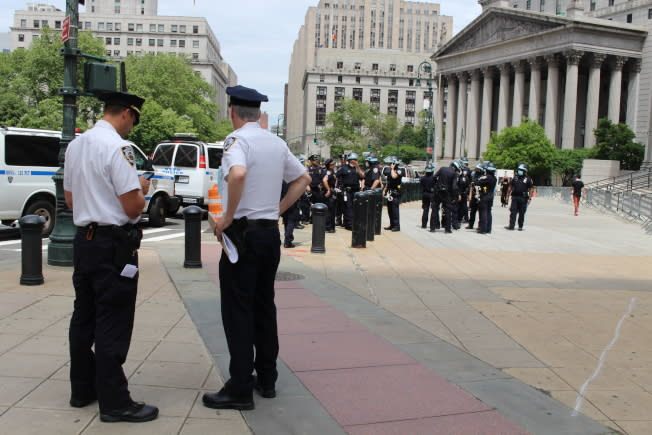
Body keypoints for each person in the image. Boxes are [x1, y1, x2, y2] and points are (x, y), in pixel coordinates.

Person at [203, 85, 310, 411]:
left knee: (238, 311)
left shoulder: (237, 140)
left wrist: (227, 218)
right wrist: (276, 210)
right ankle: (267, 378)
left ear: (233, 112)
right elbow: (303, 179)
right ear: (259, 114)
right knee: (264, 306)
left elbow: (237, 174)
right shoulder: (276, 142)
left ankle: (239, 388)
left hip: (243, 236)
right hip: (268, 235)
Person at [64, 91, 159, 423]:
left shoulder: (76, 145)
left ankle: (82, 389)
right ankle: (115, 401)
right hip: (113, 245)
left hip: (85, 240)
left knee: (84, 318)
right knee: (113, 321)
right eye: (134, 119)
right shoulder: (119, 149)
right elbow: (132, 207)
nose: (132, 126)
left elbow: (71, 200)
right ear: (127, 114)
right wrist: (141, 190)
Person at [335, 153, 364, 230]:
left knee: (355, 207)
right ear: (349, 160)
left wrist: (357, 166)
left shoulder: (357, 168)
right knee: (348, 207)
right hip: (347, 191)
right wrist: (337, 187)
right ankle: (349, 224)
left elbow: (362, 176)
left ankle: (352, 222)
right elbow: (336, 176)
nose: (353, 161)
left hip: (356, 191)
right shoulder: (343, 168)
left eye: (355, 160)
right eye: (352, 160)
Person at [506, 163, 534, 231]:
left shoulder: (528, 179)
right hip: (515, 197)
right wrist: (507, 196)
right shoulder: (515, 178)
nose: (519, 171)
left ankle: (520, 226)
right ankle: (511, 226)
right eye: (519, 170)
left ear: (525, 171)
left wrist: (530, 198)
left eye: (521, 170)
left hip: (523, 198)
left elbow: (531, 189)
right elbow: (510, 187)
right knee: (513, 212)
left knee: (522, 213)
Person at [434, 161, 460, 233]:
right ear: (454, 167)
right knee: (448, 210)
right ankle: (447, 229)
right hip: (447, 193)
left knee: (435, 209)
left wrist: (437, 185)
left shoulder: (442, 169)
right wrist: (455, 196)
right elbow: (454, 187)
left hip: (438, 191)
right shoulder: (454, 174)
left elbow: (434, 177)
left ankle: (433, 227)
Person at [477, 161, 497, 234]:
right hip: (491, 196)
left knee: (483, 212)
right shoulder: (494, 178)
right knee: (489, 212)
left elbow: (478, 182)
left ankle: (483, 229)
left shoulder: (486, 177)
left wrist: (480, 179)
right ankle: (488, 229)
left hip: (485, 196)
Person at [383, 158, 403, 231]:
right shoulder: (390, 171)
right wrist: (384, 190)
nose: (389, 165)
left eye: (391, 163)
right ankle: (392, 225)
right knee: (390, 209)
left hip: (396, 192)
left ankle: (397, 226)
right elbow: (388, 182)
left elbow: (394, 176)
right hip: (389, 192)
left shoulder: (399, 170)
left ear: (394, 164)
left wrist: (392, 169)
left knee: (395, 210)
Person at [280, 180, 300, 248]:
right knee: (291, 221)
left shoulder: (282, 180)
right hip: (292, 203)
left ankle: (287, 239)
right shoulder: (294, 181)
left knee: (286, 221)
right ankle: (288, 241)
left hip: (283, 203)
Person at [466, 162, 484, 230]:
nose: (476, 170)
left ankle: (480, 225)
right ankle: (470, 225)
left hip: (480, 196)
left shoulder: (483, 177)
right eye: (476, 169)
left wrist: (482, 192)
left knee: (480, 212)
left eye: (478, 169)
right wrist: (470, 194)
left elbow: (485, 188)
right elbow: (471, 186)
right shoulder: (474, 176)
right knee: (472, 211)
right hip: (474, 196)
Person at [419, 164, 437, 231]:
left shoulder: (422, 178)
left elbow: (421, 187)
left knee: (425, 210)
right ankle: (433, 225)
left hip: (425, 194)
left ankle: (424, 225)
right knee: (434, 210)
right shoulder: (434, 178)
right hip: (432, 194)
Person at [322, 158, 337, 232]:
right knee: (329, 210)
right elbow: (324, 181)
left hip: (332, 192)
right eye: (332, 164)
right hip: (329, 193)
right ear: (329, 165)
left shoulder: (332, 171)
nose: (334, 165)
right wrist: (328, 190)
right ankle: (328, 227)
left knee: (332, 210)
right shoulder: (328, 172)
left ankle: (331, 227)